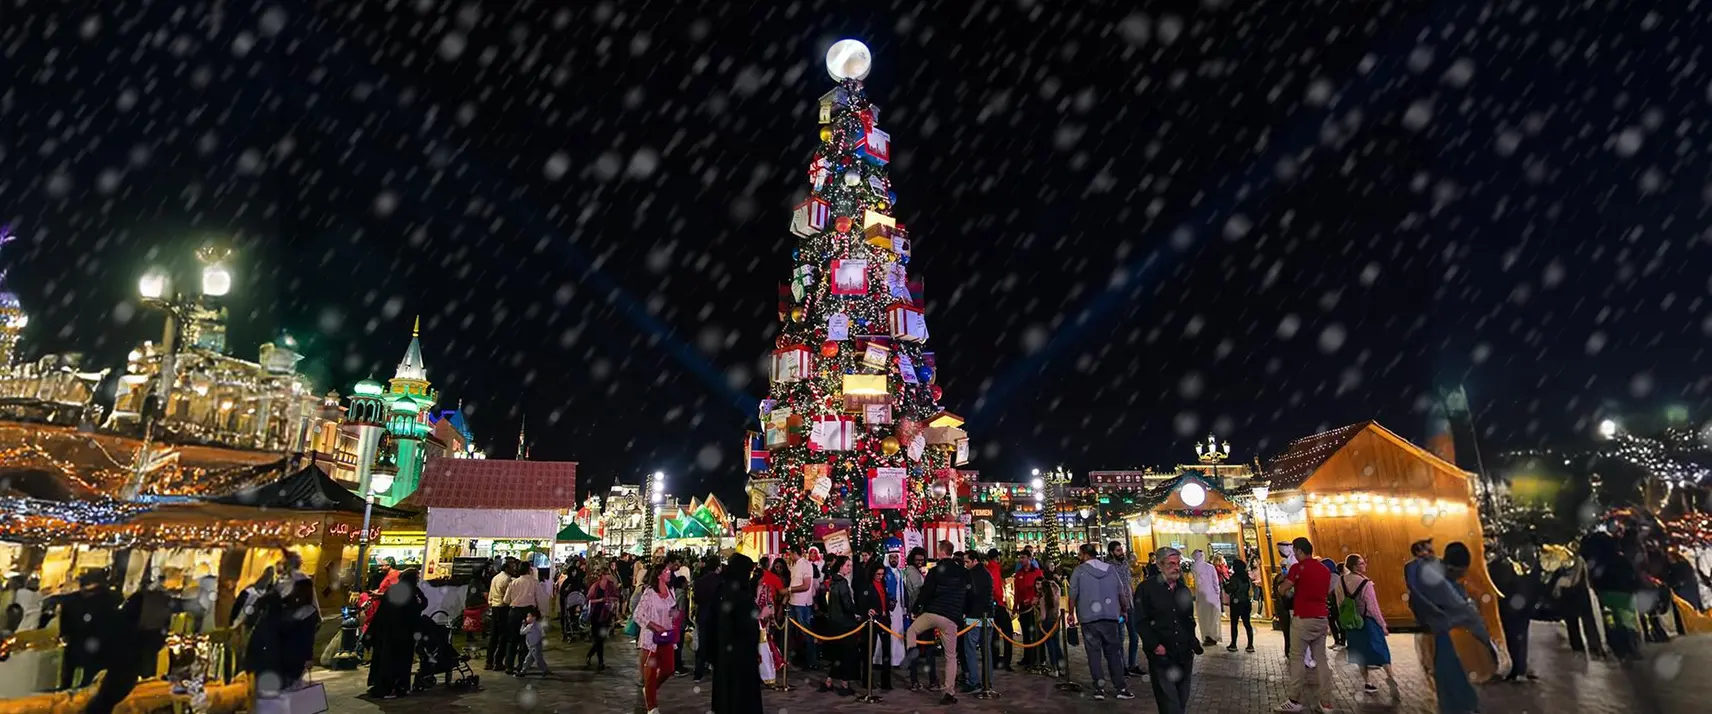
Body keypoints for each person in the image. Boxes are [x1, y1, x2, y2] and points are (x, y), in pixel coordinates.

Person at [1406, 540, 1498, 714]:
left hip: (1436, 637)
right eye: (1462, 571)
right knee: (1455, 683)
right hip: (1450, 640)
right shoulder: (1441, 584)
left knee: (1447, 685)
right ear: (1454, 568)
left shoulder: (1426, 575)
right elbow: (1466, 613)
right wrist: (1487, 642)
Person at [84, 573, 173, 714]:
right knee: (113, 692)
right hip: (131, 653)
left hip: (128, 653)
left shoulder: (143, 603)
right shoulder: (155, 603)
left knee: (111, 693)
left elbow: (122, 624)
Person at [1134, 547, 1202, 714]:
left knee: (1181, 699)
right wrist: (1155, 645)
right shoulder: (1146, 589)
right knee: (1169, 702)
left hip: (1184, 652)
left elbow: (1188, 620)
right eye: (1171, 564)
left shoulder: (1182, 589)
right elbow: (1141, 620)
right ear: (1159, 565)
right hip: (1162, 654)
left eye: (1178, 563)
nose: (1176, 567)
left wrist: (1192, 641)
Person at [1275, 537, 1333, 713]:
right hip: (1322, 617)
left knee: (1297, 657)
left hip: (1303, 617)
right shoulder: (1324, 569)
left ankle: (1294, 699)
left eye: (1295, 551)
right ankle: (1326, 702)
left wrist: (1284, 582)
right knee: (1321, 659)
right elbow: (1327, 590)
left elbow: (1283, 589)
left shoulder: (1297, 568)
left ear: (1300, 551)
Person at [1070, 542, 1134, 701]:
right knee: (1113, 653)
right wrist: (1124, 610)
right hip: (1110, 617)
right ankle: (1120, 687)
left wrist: (1071, 613)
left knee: (1094, 654)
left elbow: (1072, 595)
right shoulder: (1110, 570)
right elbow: (1122, 592)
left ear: (1085, 555)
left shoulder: (1079, 571)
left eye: (1080, 554)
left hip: (1089, 618)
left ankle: (1099, 688)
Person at [905, 541, 965, 704]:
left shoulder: (935, 571)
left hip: (933, 612)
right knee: (951, 656)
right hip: (951, 616)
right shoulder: (962, 571)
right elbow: (967, 592)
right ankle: (949, 692)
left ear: (940, 552)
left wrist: (916, 609)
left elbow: (925, 592)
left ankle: (912, 655)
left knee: (911, 631)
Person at [1335, 553, 1395, 695]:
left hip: (1352, 623)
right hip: (1367, 622)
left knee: (1360, 653)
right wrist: (1382, 624)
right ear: (1355, 566)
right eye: (1361, 563)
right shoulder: (1365, 583)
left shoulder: (1340, 581)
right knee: (1381, 650)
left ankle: (1367, 682)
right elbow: (1373, 607)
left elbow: (1340, 604)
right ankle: (1391, 677)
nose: (1365, 565)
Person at [710, 554, 763, 713]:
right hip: (740, 653)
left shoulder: (723, 589)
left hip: (724, 650)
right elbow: (744, 624)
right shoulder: (740, 595)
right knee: (740, 694)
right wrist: (760, 615)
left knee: (727, 691)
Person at [57, 570, 123, 690]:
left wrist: (65, 633)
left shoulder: (73, 601)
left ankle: (70, 689)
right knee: (85, 672)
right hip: (93, 642)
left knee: (76, 670)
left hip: (89, 641)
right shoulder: (109, 598)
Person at [366, 569, 426, 698]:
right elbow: (420, 607)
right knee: (398, 661)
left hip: (386, 632)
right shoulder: (410, 594)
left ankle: (384, 685)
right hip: (402, 634)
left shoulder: (393, 590)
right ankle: (394, 687)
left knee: (386, 659)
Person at [635, 566, 682, 714]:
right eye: (666, 571)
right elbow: (638, 614)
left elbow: (672, 611)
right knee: (650, 672)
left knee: (669, 668)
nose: (669, 573)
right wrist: (654, 626)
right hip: (652, 638)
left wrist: (676, 616)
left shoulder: (671, 592)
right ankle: (652, 706)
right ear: (659, 575)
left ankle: (650, 689)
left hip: (667, 636)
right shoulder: (649, 593)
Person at [1489, 553, 1538, 681]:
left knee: (1510, 630)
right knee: (1518, 631)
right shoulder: (1530, 550)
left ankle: (1514, 667)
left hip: (1510, 595)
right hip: (1521, 594)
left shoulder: (1502, 556)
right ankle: (1518, 667)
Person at [959, 549, 994, 693]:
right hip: (988, 616)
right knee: (987, 651)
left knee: (970, 650)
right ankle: (988, 681)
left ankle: (974, 681)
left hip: (973, 617)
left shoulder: (970, 575)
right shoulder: (987, 574)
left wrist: (964, 612)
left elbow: (968, 596)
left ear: (974, 560)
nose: (965, 565)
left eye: (967, 561)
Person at [1105, 540, 1142, 677]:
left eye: (1121, 550)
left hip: (1130, 604)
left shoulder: (1126, 563)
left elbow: (1128, 582)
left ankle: (1132, 664)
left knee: (1134, 636)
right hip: (1118, 607)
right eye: (1118, 551)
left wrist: (1133, 596)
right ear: (1111, 552)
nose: (1121, 553)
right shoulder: (1109, 566)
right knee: (1119, 638)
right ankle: (1122, 667)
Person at [858, 556, 895, 691]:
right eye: (878, 574)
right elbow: (862, 602)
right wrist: (868, 610)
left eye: (882, 574)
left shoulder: (884, 584)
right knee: (870, 651)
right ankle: (867, 680)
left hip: (885, 620)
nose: (880, 576)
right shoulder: (867, 586)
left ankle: (886, 681)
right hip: (872, 621)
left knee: (886, 651)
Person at [502, 559, 544, 674]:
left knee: (511, 639)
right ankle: (521, 665)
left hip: (514, 611)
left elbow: (506, 600)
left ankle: (509, 665)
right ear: (529, 570)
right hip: (528, 612)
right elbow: (539, 599)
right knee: (525, 641)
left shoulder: (513, 582)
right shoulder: (534, 582)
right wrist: (541, 613)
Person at [784, 546, 820, 670]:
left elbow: (806, 586)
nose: (789, 557)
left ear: (795, 553)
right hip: (793, 602)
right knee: (794, 633)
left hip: (802, 604)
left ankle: (811, 661)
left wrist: (788, 590)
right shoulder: (794, 566)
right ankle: (798, 658)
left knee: (806, 632)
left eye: (790, 554)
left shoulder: (805, 565)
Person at [874, 543, 907, 671]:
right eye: (892, 557)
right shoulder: (885, 573)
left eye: (896, 557)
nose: (894, 560)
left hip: (899, 609)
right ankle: (879, 660)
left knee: (897, 633)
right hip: (888, 608)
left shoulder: (899, 572)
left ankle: (897, 659)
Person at [691, 555, 723, 682]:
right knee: (717, 643)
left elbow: (696, 599)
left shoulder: (699, 581)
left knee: (703, 644)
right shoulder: (721, 581)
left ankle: (698, 672)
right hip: (716, 615)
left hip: (703, 614)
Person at [984, 548, 1014, 671]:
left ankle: (995, 660)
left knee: (994, 635)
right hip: (998, 605)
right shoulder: (995, 568)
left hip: (990, 606)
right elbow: (995, 587)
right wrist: (999, 601)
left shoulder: (987, 569)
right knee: (1008, 632)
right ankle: (1006, 661)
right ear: (997, 558)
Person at [1013, 554, 1044, 668]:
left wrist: (1032, 600)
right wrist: (1015, 606)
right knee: (1025, 633)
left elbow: (1041, 589)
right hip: (1022, 607)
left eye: (1023, 558)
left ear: (1030, 559)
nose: (1021, 560)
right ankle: (1027, 657)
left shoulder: (1037, 572)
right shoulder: (1019, 573)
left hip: (1033, 608)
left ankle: (1037, 658)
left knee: (1034, 633)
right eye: (1020, 557)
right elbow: (1017, 590)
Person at [585, 564, 618, 671]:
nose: (609, 576)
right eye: (607, 574)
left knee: (601, 639)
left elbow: (616, 596)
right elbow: (588, 600)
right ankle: (598, 660)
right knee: (598, 639)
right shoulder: (595, 586)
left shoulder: (611, 585)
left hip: (606, 614)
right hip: (595, 614)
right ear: (603, 575)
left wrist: (610, 600)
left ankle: (596, 659)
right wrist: (600, 600)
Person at [484, 559, 515, 670]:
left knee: (493, 636)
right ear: (506, 568)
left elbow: (490, 595)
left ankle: (489, 661)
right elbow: (508, 598)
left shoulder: (495, 578)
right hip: (503, 608)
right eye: (512, 567)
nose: (514, 569)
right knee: (503, 636)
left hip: (494, 608)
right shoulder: (507, 579)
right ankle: (498, 662)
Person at [1189, 549, 1223, 647]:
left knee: (1204, 618)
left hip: (1201, 597)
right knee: (1213, 617)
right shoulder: (1210, 567)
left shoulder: (1193, 567)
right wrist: (1217, 593)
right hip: (1212, 596)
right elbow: (1215, 582)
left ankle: (1207, 637)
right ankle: (1214, 636)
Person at [1038, 566, 1066, 676]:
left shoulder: (1043, 600)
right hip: (1056, 622)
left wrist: (1038, 620)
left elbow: (1043, 616)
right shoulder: (1056, 597)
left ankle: (1055, 669)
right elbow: (1058, 589)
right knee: (1057, 645)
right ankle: (1062, 667)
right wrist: (1052, 583)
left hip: (1047, 623)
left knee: (1050, 647)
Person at [1224, 558, 1256, 652]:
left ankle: (1233, 644)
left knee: (1234, 624)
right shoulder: (1246, 577)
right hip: (1246, 602)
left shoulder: (1234, 578)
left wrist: (1226, 586)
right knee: (1247, 624)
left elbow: (1231, 589)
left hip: (1236, 603)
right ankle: (1250, 645)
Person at [517, 610, 550, 677]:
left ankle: (544, 670)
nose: (527, 618)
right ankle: (523, 671)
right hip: (534, 645)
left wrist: (523, 625)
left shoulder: (530, 626)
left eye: (528, 616)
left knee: (537, 659)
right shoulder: (537, 625)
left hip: (534, 646)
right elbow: (542, 632)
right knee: (529, 659)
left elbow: (522, 632)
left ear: (534, 617)